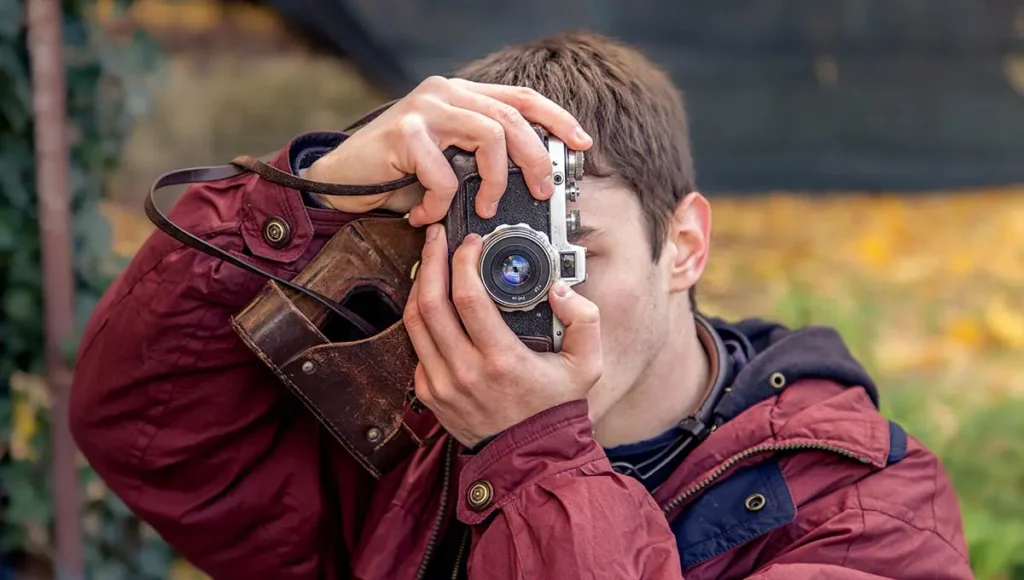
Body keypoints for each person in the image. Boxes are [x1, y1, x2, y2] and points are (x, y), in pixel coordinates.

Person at [69, 32, 973, 580]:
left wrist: (533, 456)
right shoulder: (418, 438)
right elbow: (146, 426)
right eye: (497, 251)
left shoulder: (870, 506)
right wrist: (309, 191)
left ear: (685, 246)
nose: (529, 291)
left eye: (571, 247)